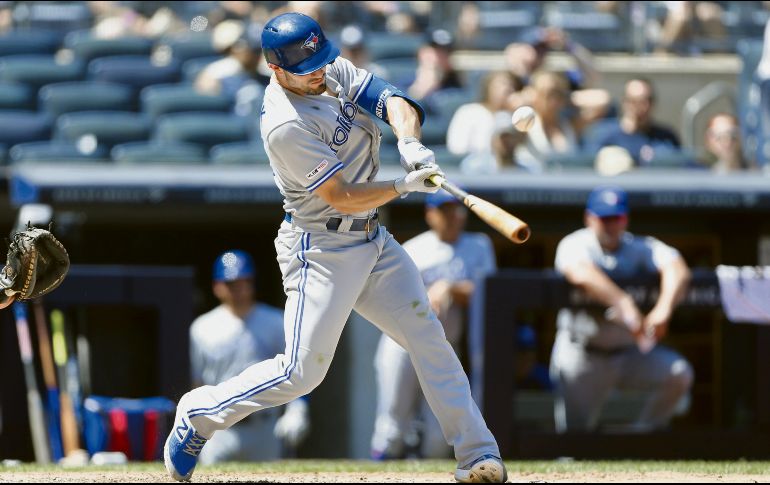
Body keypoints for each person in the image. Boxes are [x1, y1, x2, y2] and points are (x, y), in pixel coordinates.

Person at [164, 12, 507, 484]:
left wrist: (408, 140)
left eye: (321, 61)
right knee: (302, 374)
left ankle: (477, 453)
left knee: (427, 334)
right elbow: (342, 195)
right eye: (306, 68)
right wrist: (403, 185)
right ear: (277, 70)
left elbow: (393, 100)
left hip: (372, 238)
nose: (320, 72)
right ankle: (200, 414)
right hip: (320, 247)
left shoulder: (327, 67)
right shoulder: (284, 123)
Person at [549, 185, 694, 433]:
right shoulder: (576, 243)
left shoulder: (639, 246)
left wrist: (664, 309)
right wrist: (623, 302)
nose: (609, 225)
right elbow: (580, 273)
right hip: (583, 355)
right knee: (574, 439)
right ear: (589, 218)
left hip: (629, 354)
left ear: (625, 219)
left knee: (679, 374)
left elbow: (677, 267)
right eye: (603, 218)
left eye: (615, 218)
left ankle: (642, 436)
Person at [371, 189, 497, 460]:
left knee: (439, 435)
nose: (452, 216)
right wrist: (425, 293)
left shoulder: (479, 245)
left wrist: (450, 286)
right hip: (400, 343)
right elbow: (389, 294)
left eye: (456, 210)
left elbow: (489, 291)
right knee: (391, 426)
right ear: (430, 215)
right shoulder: (413, 248)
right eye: (444, 210)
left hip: (444, 347)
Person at [189, 250, 310, 464]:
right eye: (231, 283)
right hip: (220, 428)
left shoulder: (275, 321)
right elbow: (197, 383)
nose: (239, 289)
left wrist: (298, 407)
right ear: (217, 286)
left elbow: (297, 368)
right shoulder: (201, 328)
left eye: (244, 281)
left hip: (263, 425)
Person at [595, 78, 680, 165]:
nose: (641, 107)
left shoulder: (665, 137)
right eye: (634, 101)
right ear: (624, 102)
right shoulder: (605, 135)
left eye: (646, 101)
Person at [195, 19, 269, 116]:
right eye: (251, 50)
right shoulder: (218, 71)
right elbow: (206, 106)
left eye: (258, 51)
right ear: (237, 47)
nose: (254, 56)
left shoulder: (267, 70)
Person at [446, 71, 523, 157]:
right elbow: (457, 149)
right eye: (503, 84)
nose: (508, 89)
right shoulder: (469, 111)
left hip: (512, 169)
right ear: (488, 87)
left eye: (512, 85)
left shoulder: (516, 116)